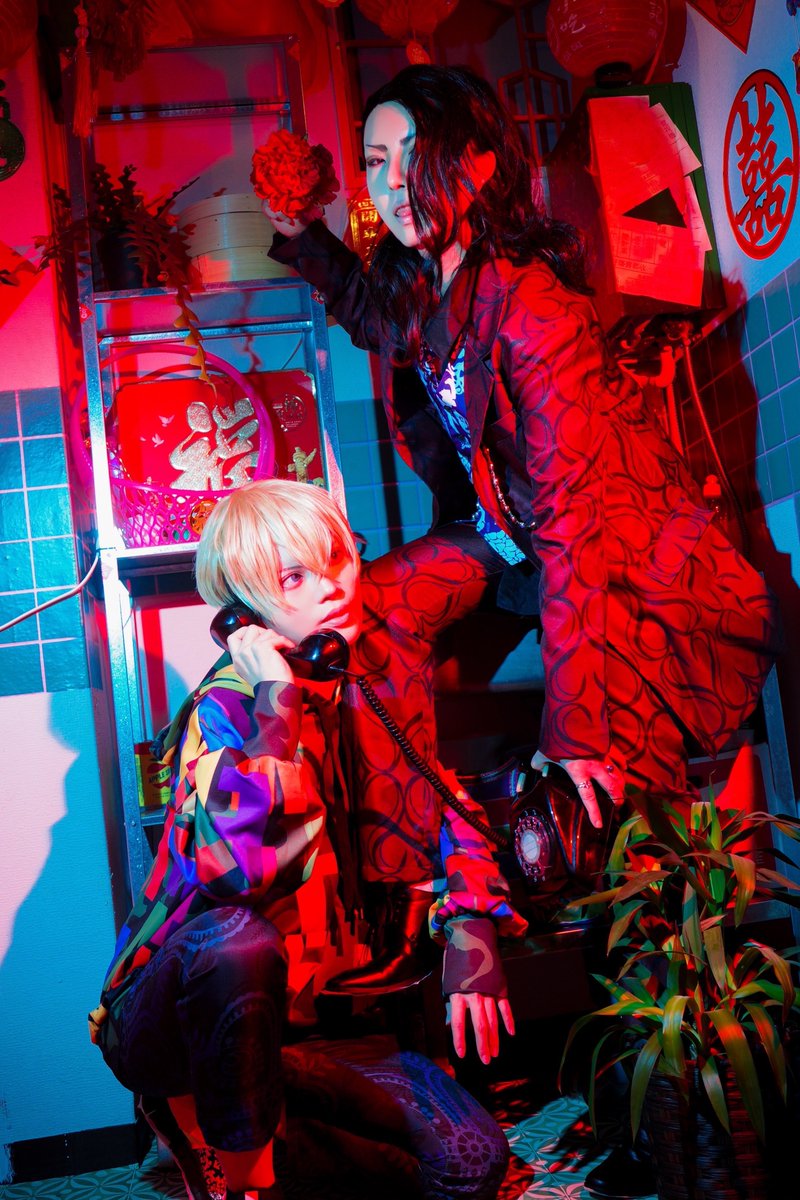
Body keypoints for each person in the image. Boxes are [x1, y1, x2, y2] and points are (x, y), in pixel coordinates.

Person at [266, 62, 780, 833]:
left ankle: (642, 868)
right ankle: (417, 877)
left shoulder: (532, 310)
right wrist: (303, 234)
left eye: (416, 153)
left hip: (622, 568)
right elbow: (374, 319)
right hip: (511, 539)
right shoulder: (423, 285)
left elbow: (575, 524)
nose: (394, 181)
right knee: (371, 619)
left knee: (613, 818)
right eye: (376, 160)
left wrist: (573, 731)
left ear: (477, 165)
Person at [88, 478, 526, 1200]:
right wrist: (276, 704)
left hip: (310, 1035)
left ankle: (248, 1128)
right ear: (244, 611)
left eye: (338, 559)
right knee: (238, 940)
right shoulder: (228, 708)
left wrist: (471, 923)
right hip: (177, 1017)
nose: (333, 588)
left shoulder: (359, 681)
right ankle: (247, 1180)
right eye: (294, 577)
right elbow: (240, 870)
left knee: (470, 1163)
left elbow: (441, 800)